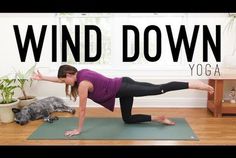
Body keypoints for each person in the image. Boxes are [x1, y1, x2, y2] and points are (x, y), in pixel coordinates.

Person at [32, 64, 214, 137]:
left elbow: (82, 110)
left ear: (70, 74)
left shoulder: (82, 84)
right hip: (123, 86)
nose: (65, 83)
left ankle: (193, 84)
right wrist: (44, 78)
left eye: (65, 80)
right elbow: (59, 79)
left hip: (124, 87)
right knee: (127, 119)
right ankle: (158, 118)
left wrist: (78, 129)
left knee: (158, 89)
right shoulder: (80, 74)